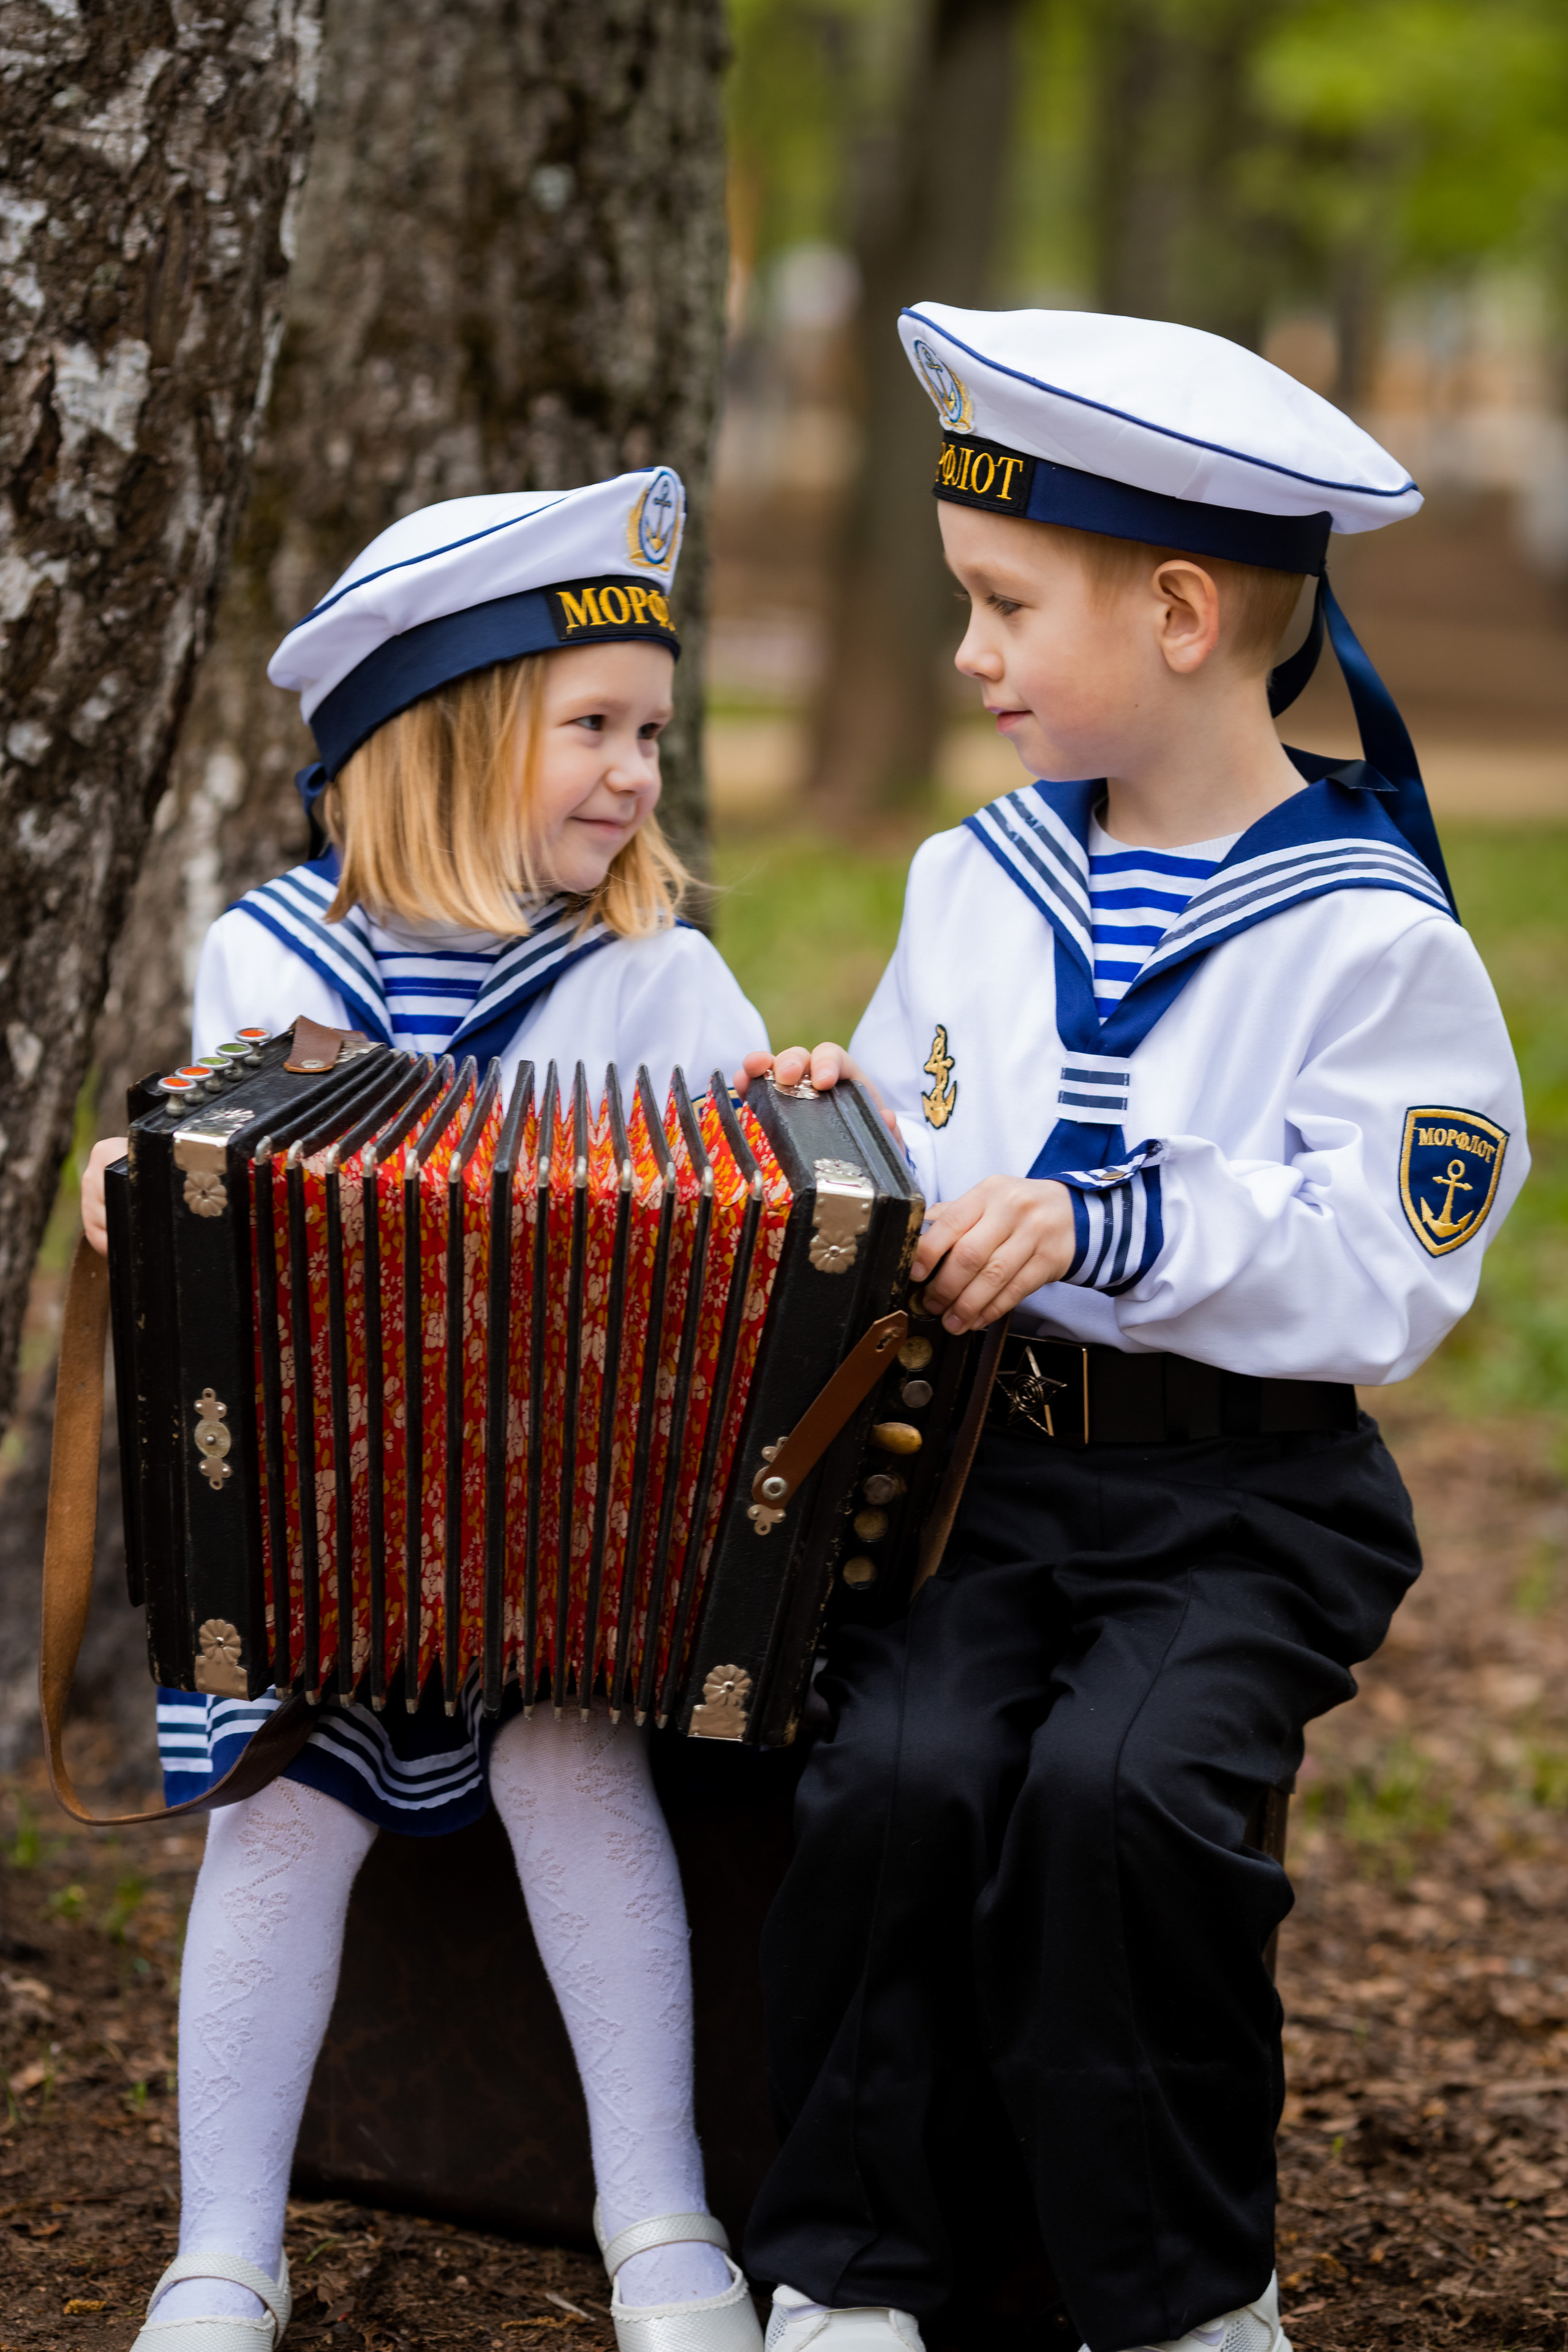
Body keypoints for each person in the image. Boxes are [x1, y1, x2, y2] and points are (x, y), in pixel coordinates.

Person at [733, 306, 1528, 2352]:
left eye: (1004, 607)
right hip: (983, 1477)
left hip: (1236, 1501)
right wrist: (844, 1134)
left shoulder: (1372, 936)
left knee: (1123, 1795)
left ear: (1180, 615)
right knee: (893, 1777)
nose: (969, 654)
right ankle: (848, 2268)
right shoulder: (975, 880)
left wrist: (1112, 1218)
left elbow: (1394, 1257)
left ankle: (1178, 2297)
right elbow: (934, 1132)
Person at [81, 472, 769, 2352]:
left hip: (568, 1538)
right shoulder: (274, 959)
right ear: (446, 738)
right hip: (328, 1523)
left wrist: (804, 1124)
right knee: (277, 1825)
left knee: (574, 1770)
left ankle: (660, 2219)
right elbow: (224, 1179)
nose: (636, 774)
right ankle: (223, 2248)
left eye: (654, 735)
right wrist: (141, 1174)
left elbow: (759, 1231)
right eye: (594, 727)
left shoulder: (660, 979)